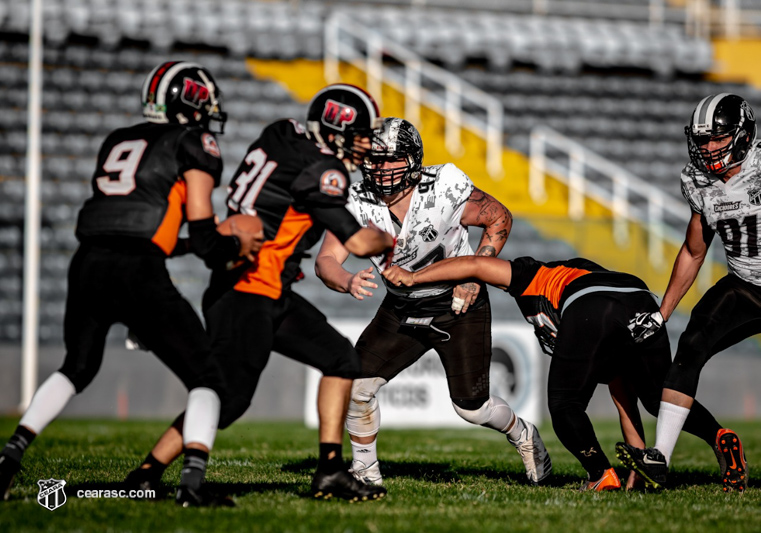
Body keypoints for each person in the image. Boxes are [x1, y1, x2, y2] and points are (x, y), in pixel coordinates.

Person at [0, 61, 262, 506]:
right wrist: (236, 248)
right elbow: (202, 238)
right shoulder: (195, 142)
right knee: (208, 378)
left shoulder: (118, 139)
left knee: (76, 367)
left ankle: (8, 459)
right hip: (136, 271)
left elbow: (132, 225)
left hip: (88, 262)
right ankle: (191, 485)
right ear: (191, 102)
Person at [124, 84, 395, 502]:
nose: (365, 144)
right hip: (246, 291)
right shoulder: (321, 169)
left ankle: (329, 471)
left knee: (341, 358)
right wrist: (387, 239)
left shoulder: (282, 133)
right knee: (229, 399)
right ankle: (146, 474)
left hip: (266, 288)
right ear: (337, 130)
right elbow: (358, 243)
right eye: (360, 134)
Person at [314, 117, 551, 487]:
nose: (381, 168)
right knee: (357, 386)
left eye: (390, 159)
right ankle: (366, 473)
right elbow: (326, 259)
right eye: (374, 159)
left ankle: (522, 433)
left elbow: (498, 217)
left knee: (472, 409)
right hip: (402, 306)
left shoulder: (443, 186)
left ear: (412, 159)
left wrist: (474, 274)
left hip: (457, 304)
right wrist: (346, 280)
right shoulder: (357, 200)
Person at [382, 255, 728, 491]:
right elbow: (624, 398)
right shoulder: (593, 281)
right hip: (640, 297)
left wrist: (414, 276)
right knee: (657, 397)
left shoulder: (537, 276)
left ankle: (599, 474)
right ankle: (720, 437)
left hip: (591, 301)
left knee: (564, 402)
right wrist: (638, 471)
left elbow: (474, 264)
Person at [617, 93, 756, 492]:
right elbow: (695, 250)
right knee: (691, 344)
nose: (708, 148)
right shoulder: (699, 181)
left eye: (718, 138)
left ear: (742, 135)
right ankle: (658, 459)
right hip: (746, 283)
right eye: (703, 140)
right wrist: (663, 312)